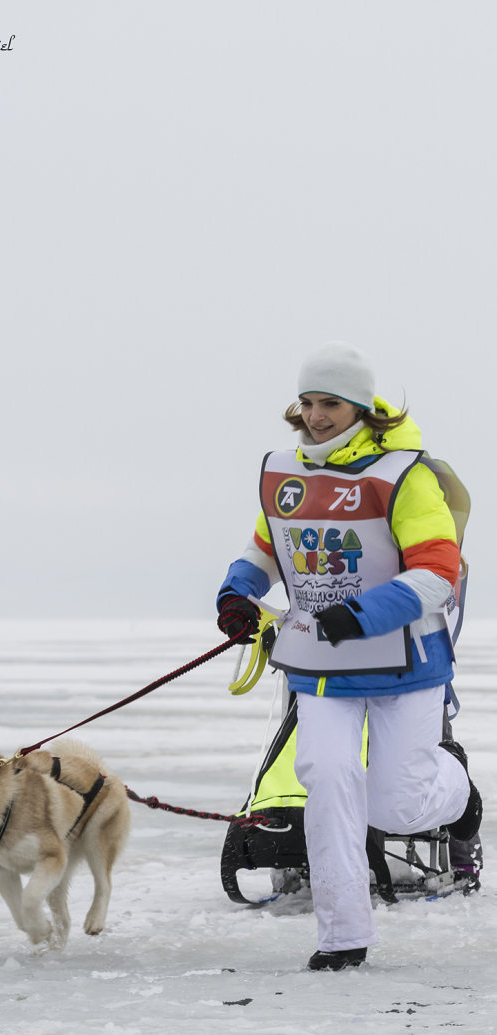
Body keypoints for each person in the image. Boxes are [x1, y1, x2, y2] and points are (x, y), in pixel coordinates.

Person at [216, 341, 482, 972]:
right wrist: (237, 593)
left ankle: (460, 796)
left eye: (330, 403)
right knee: (329, 784)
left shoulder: (404, 475)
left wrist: (359, 615)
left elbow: (438, 571)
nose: (315, 415)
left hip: (406, 664)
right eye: (307, 402)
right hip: (322, 669)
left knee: (393, 804)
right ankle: (342, 937)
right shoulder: (288, 475)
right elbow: (266, 552)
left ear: (361, 405)